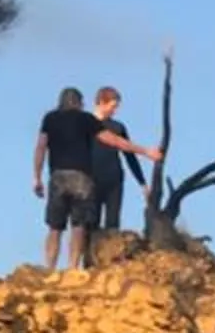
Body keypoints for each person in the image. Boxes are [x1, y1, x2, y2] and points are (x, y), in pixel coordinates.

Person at [31, 88, 159, 273]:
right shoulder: (86, 119)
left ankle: (50, 268)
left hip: (58, 176)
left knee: (55, 226)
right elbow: (115, 141)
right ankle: (73, 268)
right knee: (79, 225)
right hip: (82, 178)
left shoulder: (50, 118)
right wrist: (146, 151)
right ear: (79, 102)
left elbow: (40, 147)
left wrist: (36, 177)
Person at [90, 85, 152, 245]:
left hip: (114, 179)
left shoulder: (118, 127)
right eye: (113, 106)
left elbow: (129, 155)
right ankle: (89, 263)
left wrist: (142, 182)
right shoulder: (85, 123)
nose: (115, 111)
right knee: (91, 223)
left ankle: (110, 260)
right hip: (91, 179)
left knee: (113, 223)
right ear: (102, 102)